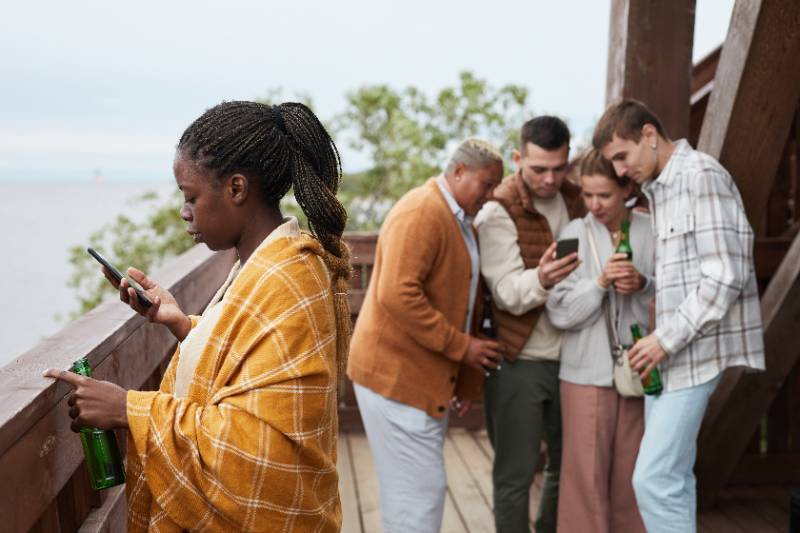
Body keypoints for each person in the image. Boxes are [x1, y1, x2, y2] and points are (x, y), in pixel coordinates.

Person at [45, 101, 352, 532]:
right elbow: (245, 361)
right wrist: (181, 322)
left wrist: (128, 409)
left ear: (237, 189)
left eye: (191, 196)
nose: (184, 212)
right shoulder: (263, 263)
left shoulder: (287, 277)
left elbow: (263, 457)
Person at [593, 99, 766, 532]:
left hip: (693, 355)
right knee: (673, 479)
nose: (618, 172)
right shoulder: (662, 189)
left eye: (621, 157)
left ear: (649, 136)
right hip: (670, 360)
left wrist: (663, 339)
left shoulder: (701, 177)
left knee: (652, 479)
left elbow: (725, 274)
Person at [347, 138, 504, 533]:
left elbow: (458, 298)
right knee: (420, 497)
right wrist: (462, 348)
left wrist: (459, 378)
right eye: (486, 184)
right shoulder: (422, 212)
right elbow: (397, 296)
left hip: (418, 376)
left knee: (411, 495)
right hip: (395, 378)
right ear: (458, 172)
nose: (492, 194)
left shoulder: (456, 217)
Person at [474, 116, 584, 533]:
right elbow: (504, 292)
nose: (551, 178)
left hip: (575, 357)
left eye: (559, 168)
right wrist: (544, 277)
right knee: (515, 476)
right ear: (519, 158)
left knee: (568, 468)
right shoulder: (498, 209)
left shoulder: (579, 197)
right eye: (539, 169)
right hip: (519, 359)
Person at [546, 148, 652, 533]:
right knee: (583, 480)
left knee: (634, 478)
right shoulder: (573, 235)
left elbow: (665, 300)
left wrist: (642, 284)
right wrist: (600, 284)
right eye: (587, 195)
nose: (594, 205)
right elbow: (559, 310)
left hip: (639, 371)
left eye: (603, 195)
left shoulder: (651, 232)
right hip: (584, 375)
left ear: (626, 188)